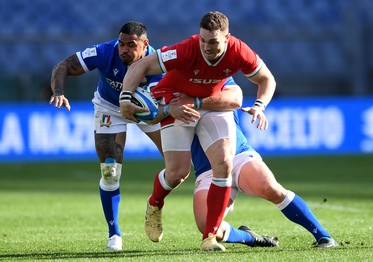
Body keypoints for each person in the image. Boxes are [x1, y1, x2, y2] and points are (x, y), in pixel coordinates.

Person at [120, 11, 276, 251]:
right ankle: (155, 203)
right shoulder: (185, 49)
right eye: (203, 40)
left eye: (212, 42)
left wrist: (259, 106)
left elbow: (266, 80)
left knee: (224, 163)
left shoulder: (239, 51)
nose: (206, 46)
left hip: (209, 106)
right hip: (178, 103)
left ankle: (210, 237)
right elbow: (140, 66)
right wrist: (125, 97)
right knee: (177, 173)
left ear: (226, 38)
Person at [173, 78, 338, 249]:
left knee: (268, 187)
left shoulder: (217, 74)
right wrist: (167, 109)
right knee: (207, 227)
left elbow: (234, 99)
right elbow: (158, 114)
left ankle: (323, 236)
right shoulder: (172, 84)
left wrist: (194, 102)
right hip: (207, 170)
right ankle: (250, 238)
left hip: (237, 155)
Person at [49, 21, 164, 251]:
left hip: (149, 111)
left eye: (131, 45)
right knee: (110, 171)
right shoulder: (104, 51)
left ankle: (155, 205)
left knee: (179, 167)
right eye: (121, 43)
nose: (123, 49)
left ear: (145, 44)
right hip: (110, 108)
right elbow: (64, 66)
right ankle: (114, 234)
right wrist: (59, 92)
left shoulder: (160, 62)